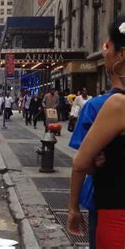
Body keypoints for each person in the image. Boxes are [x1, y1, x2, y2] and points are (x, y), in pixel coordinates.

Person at [67, 15, 125, 248]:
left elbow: (81, 164)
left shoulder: (116, 105)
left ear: (121, 54)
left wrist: (72, 208)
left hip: (116, 215)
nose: (104, 50)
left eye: (108, 45)